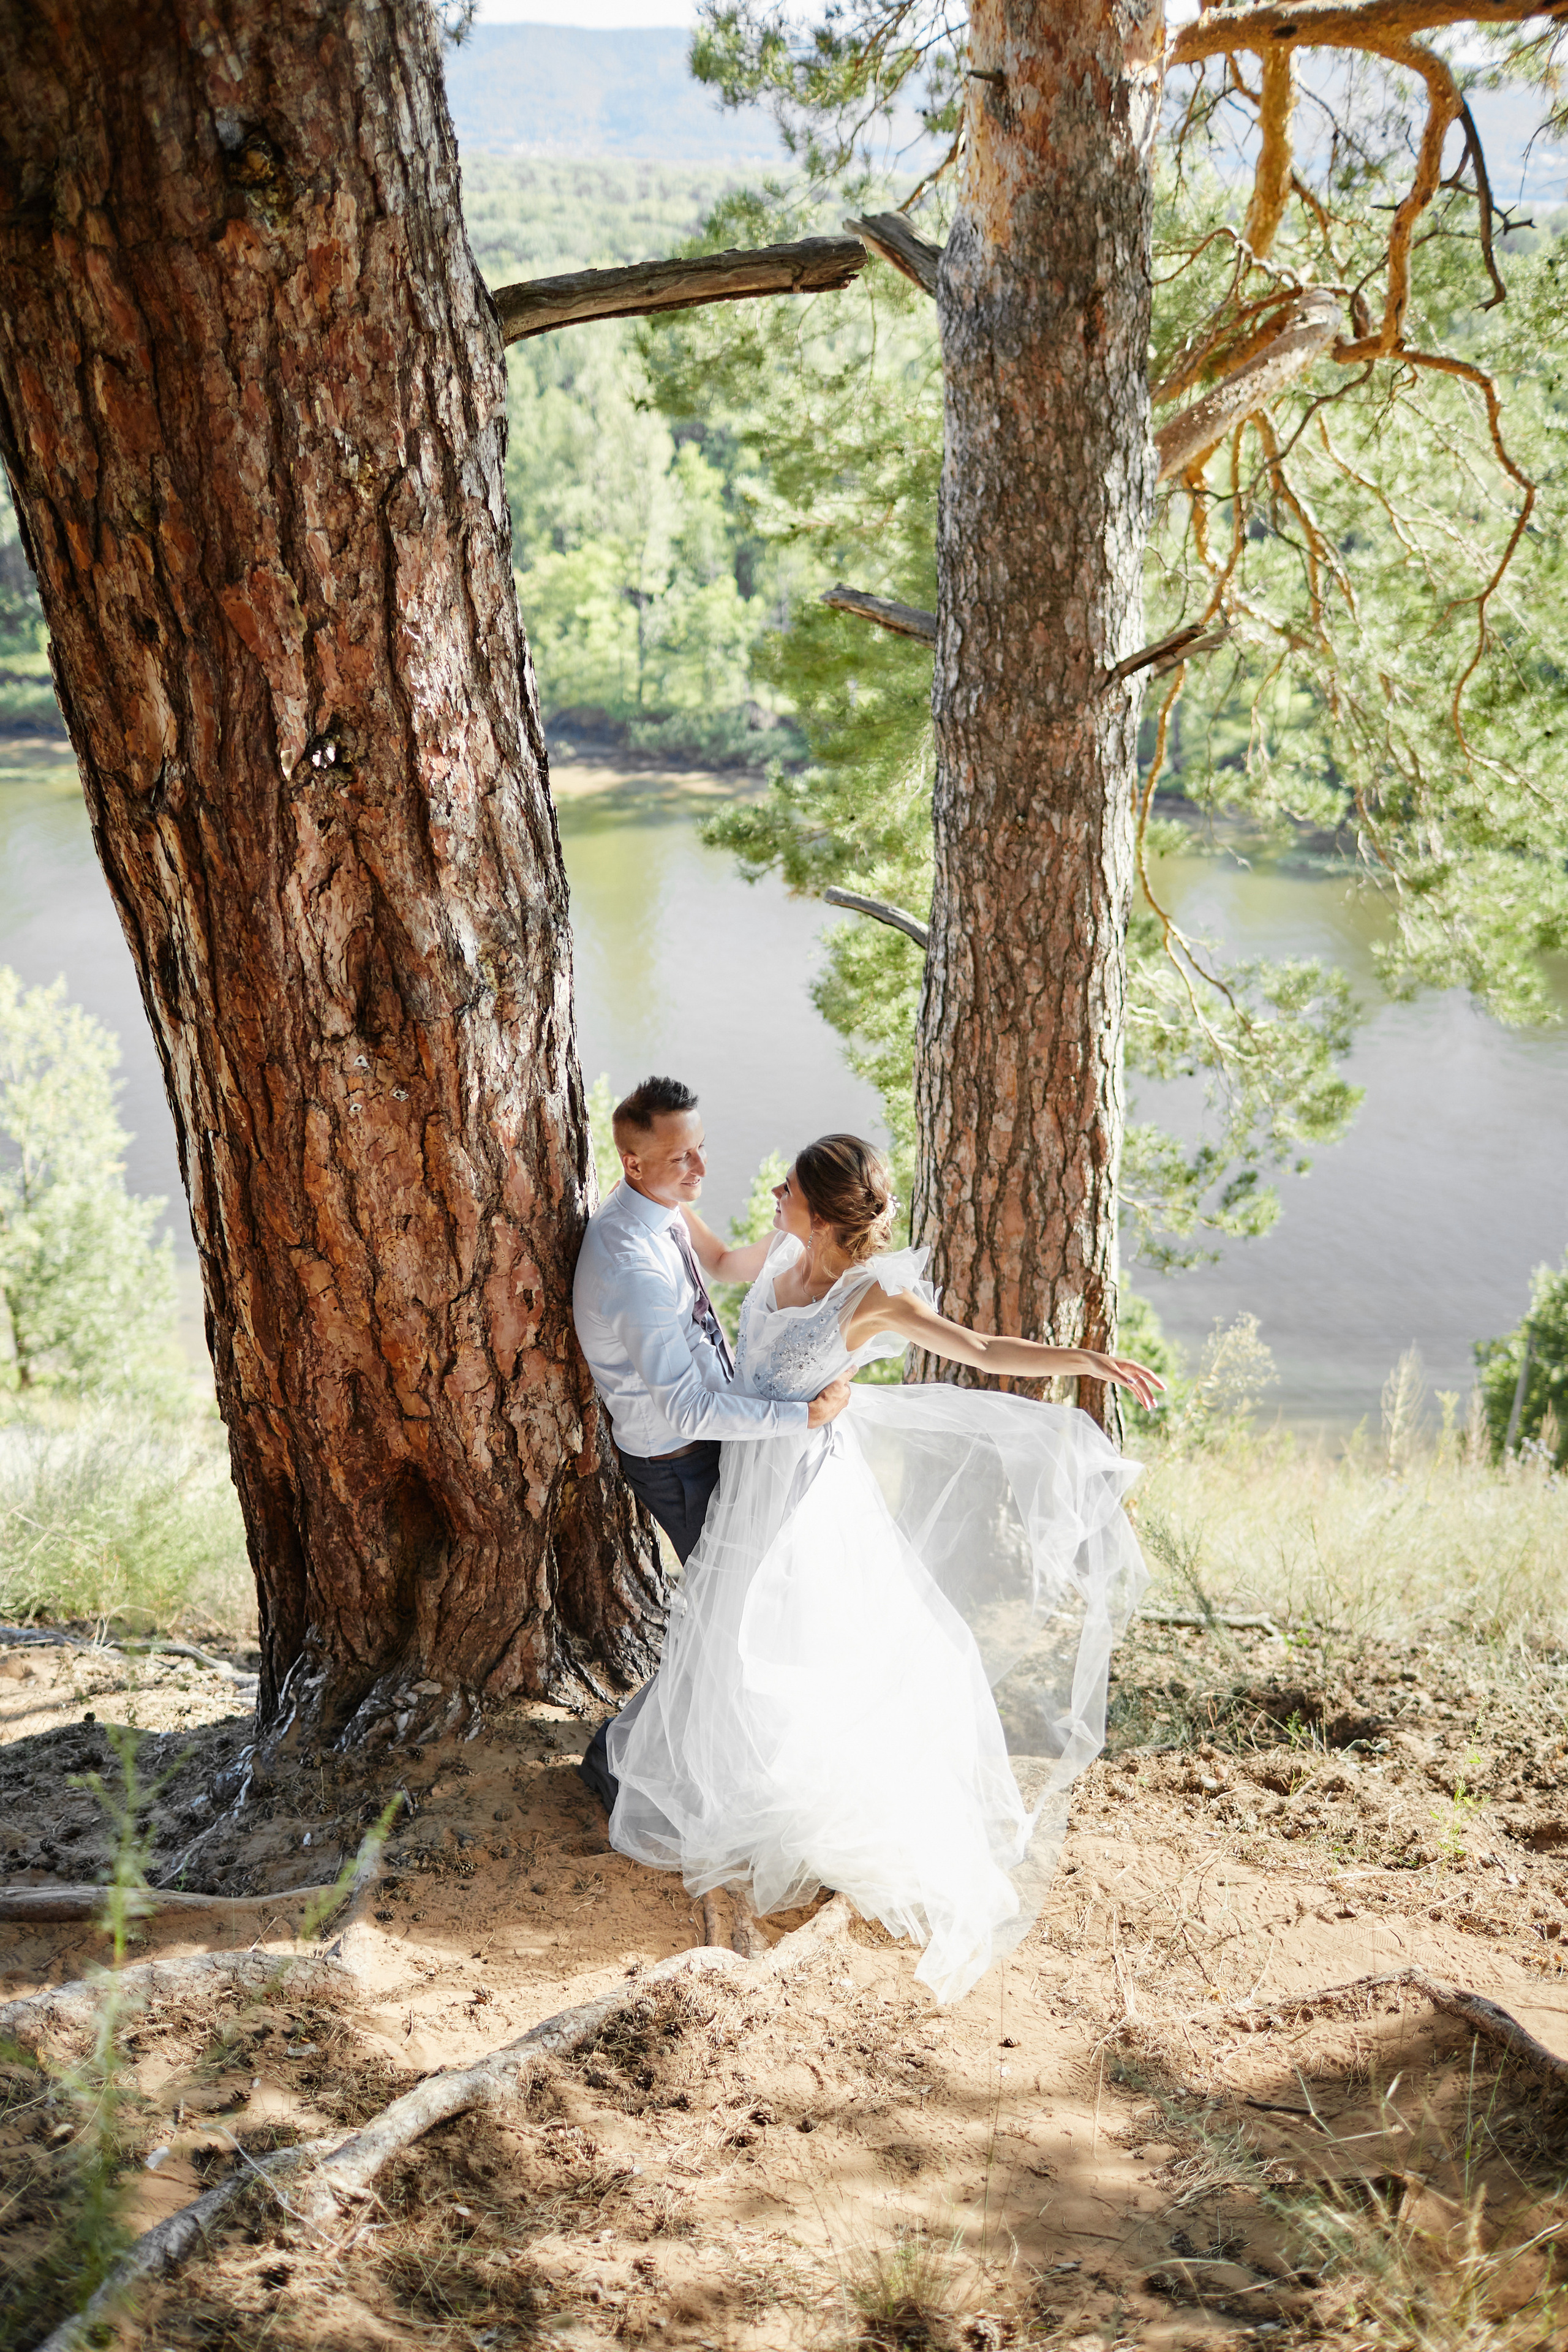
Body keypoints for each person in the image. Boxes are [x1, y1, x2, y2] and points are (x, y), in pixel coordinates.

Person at [603, 1134, 1163, 2005]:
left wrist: (1084, 1361)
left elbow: (978, 1349)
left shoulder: (873, 1296)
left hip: (804, 1485)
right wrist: (645, 1186)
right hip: (748, 1467)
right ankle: (742, 1778)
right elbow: (715, 1283)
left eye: (787, 1186)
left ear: (823, 1215)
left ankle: (810, 1810)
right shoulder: (784, 1248)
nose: (775, 1190)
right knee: (734, 1625)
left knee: (803, 1637)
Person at [571, 1077, 852, 1812]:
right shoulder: (631, 1265)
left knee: (748, 1606)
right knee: (736, 1614)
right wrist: (802, 1417)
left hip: (713, 1441)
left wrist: (810, 1239)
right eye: (680, 1159)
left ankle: (691, 1752)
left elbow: (726, 1267)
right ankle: (625, 1759)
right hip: (679, 1460)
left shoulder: (663, 1209)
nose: (699, 1171)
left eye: (700, 1150)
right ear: (633, 1165)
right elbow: (689, 1407)